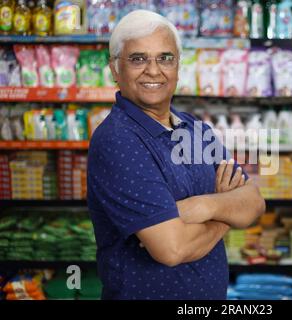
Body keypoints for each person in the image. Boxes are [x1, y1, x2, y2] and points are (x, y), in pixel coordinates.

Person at [87, 10, 265, 300]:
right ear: (115, 69)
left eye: (165, 58)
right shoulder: (118, 140)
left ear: (178, 67)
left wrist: (202, 206)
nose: (154, 70)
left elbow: (254, 202)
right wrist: (225, 214)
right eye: (138, 59)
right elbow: (173, 249)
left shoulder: (194, 128)